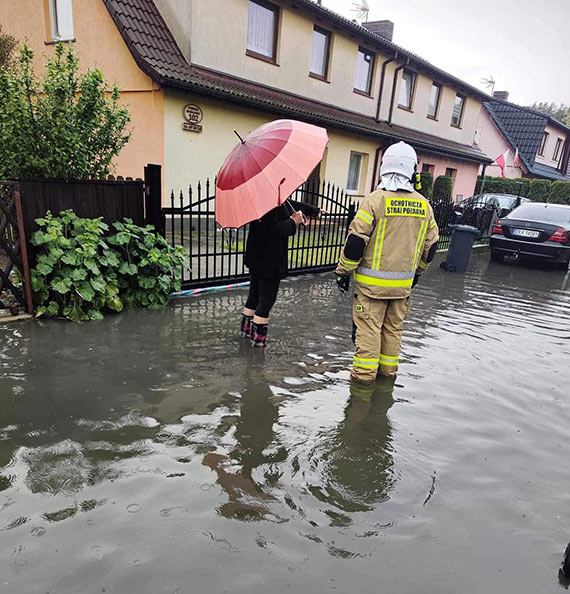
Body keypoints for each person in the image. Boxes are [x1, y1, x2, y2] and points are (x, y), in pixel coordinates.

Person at [335, 141, 439, 383]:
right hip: (402, 289)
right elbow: (431, 247)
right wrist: (417, 275)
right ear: (411, 170)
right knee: (392, 332)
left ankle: (362, 383)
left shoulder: (375, 200)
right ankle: (387, 378)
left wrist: (343, 272)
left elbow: (355, 243)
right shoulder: (424, 205)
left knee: (369, 333)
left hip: (371, 291)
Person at [241, 198, 321, 347]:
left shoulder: (265, 199)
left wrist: (312, 210)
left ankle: (246, 332)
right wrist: (293, 221)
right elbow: (275, 229)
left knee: (254, 296)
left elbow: (289, 204)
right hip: (268, 260)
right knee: (266, 300)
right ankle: (258, 342)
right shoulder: (268, 202)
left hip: (257, 257)